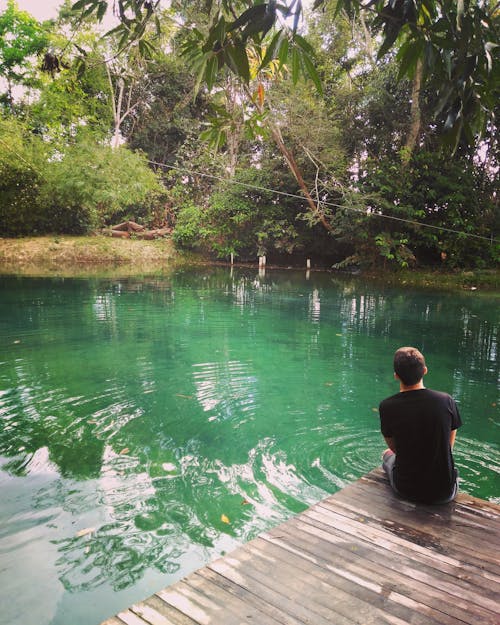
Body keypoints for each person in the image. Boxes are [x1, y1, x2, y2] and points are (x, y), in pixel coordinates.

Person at [379, 346, 461, 504]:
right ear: (425, 370)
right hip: (445, 493)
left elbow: (395, 448)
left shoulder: (387, 406)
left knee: (386, 455)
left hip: (406, 489)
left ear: (396, 376)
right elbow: (448, 446)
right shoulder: (446, 400)